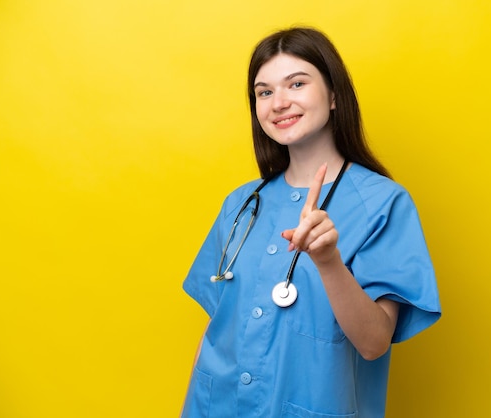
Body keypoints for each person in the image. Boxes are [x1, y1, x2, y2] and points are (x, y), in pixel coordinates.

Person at [181, 27, 441, 418]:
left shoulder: (383, 203)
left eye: (297, 83)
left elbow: (374, 343)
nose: (279, 102)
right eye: (264, 92)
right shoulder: (242, 203)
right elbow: (218, 330)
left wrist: (328, 261)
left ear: (334, 95)